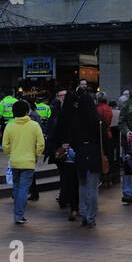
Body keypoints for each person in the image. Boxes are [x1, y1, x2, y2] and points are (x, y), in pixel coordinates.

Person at [3, 100, 45, 225]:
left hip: (15, 161)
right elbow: (41, 144)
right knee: (23, 189)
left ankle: (17, 214)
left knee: (16, 187)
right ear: (27, 112)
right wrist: (36, 154)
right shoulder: (34, 125)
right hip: (28, 162)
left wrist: (11, 154)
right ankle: (19, 215)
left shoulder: (9, 126)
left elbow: (5, 145)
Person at [74, 91, 106, 227]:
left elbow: (73, 138)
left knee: (82, 185)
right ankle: (91, 216)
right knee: (93, 187)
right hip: (94, 153)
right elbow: (105, 139)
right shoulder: (98, 119)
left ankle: (83, 211)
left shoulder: (76, 119)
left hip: (81, 153)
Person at [50, 91, 82, 220]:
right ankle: (77, 206)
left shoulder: (62, 115)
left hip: (66, 152)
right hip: (77, 151)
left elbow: (56, 132)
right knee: (79, 181)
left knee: (69, 179)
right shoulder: (80, 114)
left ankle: (71, 205)